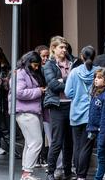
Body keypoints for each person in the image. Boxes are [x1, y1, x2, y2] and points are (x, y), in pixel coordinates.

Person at [65, 46, 100, 180]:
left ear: (81, 56)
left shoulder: (74, 72)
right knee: (87, 146)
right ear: (94, 56)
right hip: (91, 114)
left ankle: (77, 171)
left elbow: (68, 93)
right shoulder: (98, 72)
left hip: (75, 113)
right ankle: (81, 175)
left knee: (77, 145)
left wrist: (77, 96)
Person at [43, 36, 75, 180]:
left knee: (69, 141)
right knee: (56, 141)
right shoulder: (49, 65)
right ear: (53, 49)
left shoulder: (73, 62)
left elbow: (78, 82)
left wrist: (62, 80)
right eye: (61, 47)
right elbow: (54, 85)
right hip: (57, 105)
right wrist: (69, 81)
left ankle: (67, 171)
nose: (64, 50)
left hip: (72, 105)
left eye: (65, 47)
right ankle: (50, 172)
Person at [15, 51, 47, 180]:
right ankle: (27, 172)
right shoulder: (21, 74)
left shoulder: (24, 73)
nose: (37, 67)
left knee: (30, 142)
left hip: (30, 111)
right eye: (34, 64)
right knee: (36, 142)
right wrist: (38, 91)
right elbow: (20, 92)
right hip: (26, 111)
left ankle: (26, 172)